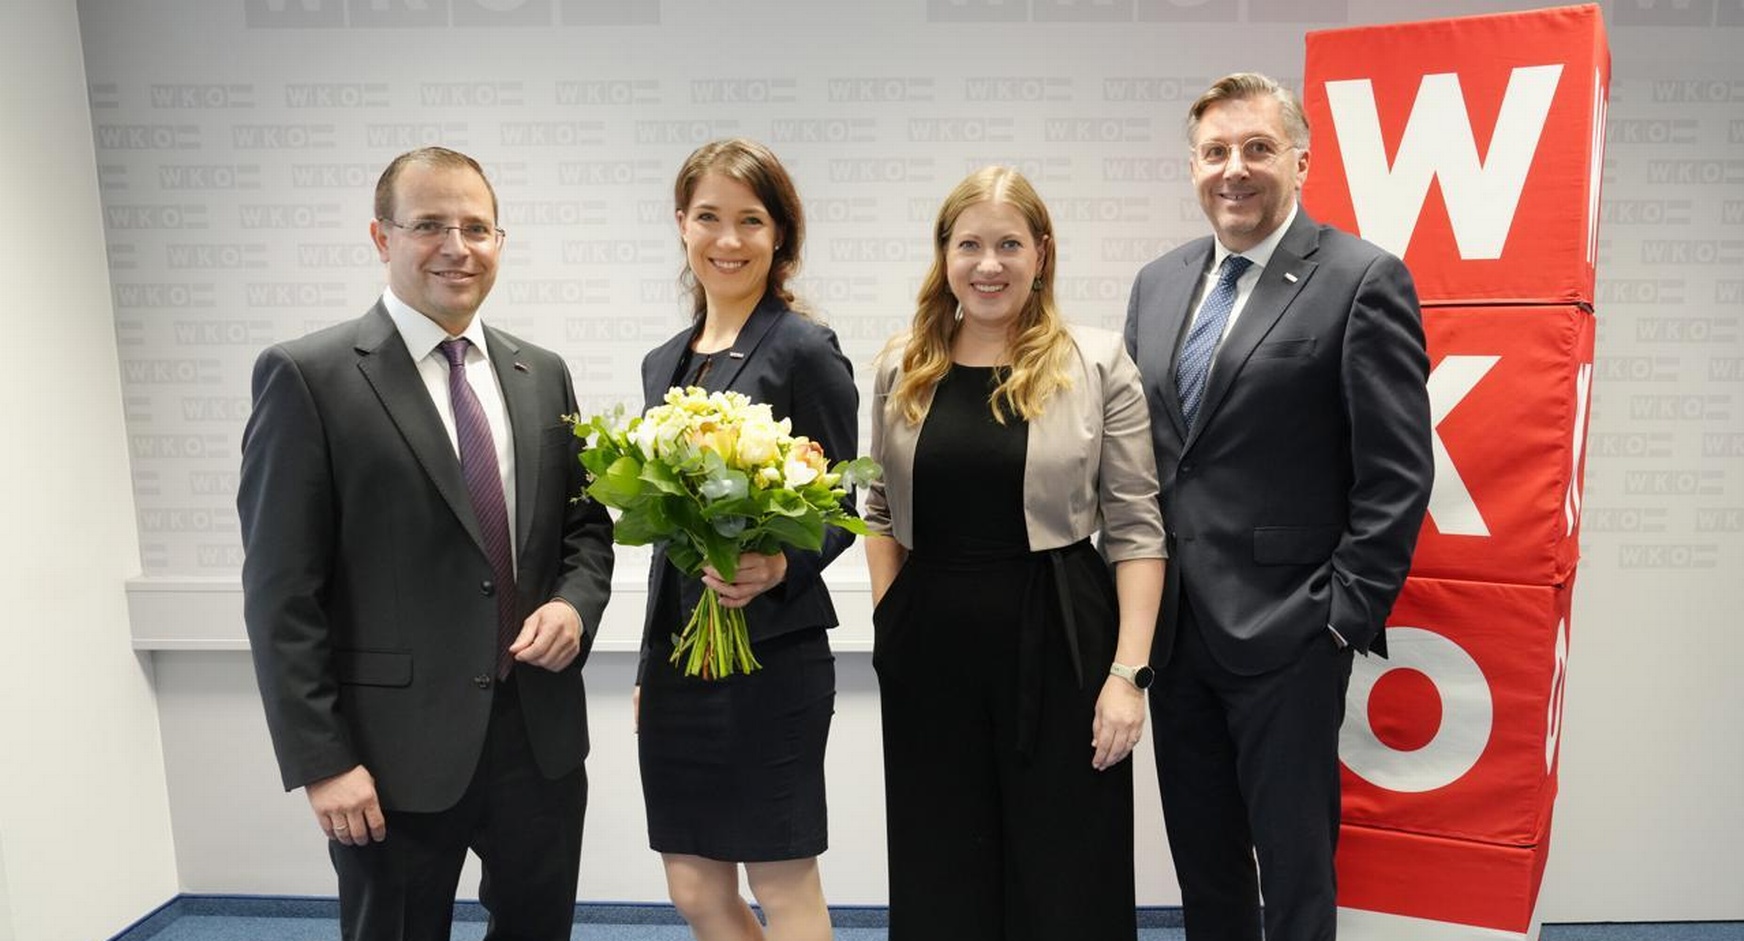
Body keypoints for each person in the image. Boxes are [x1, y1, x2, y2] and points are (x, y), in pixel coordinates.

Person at [237, 146, 614, 940]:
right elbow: (281, 593)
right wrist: (323, 761)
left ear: (500, 242)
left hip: (538, 736)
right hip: (390, 756)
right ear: (382, 237)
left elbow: (584, 531)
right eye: (430, 225)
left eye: (476, 227)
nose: (457, 246)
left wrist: (574, 608)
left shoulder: (539, 371)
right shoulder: (309, 376)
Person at [1123, 73, 1435, 941]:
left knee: (1296, 876)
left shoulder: (1361, 278)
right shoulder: (1157, 283)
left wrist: (1341, 616)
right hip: (1175, 633)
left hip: (1291, 634)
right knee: (1206, 871)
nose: (1235, 169)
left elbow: (1398, 474)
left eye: (1257, 148)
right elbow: (1146, 452)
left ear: (1301, 158)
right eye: (1216, 151)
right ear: (1192, 165)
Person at [865, 166, 1166, 941]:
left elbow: (1137, 528)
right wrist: (888, 622)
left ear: (1041, 253)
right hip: (930, 642)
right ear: (944, 254)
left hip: (1062, 635)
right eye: (969, 244)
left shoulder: (1097, 362)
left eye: (1008, 244)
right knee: (942, 861)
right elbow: (879, 509)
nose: (988, 264)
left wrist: (1127, 675)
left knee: (1065, 866)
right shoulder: (903, 365)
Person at [634, 137, 857, 941]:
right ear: (682, 225)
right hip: (681, 662)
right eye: (709, 218)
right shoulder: (663, 362)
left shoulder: (803, 348)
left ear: (780, 237)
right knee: (693, 886)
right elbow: (669, 536)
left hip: (773, 661)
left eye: (750, 221)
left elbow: (843, 501)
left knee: (780, 876)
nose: (727, 241)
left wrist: (777, 563)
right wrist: (645, 665)